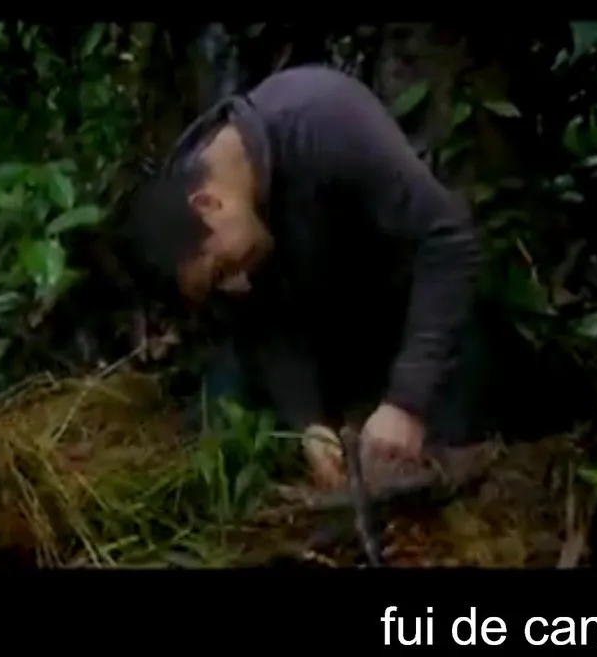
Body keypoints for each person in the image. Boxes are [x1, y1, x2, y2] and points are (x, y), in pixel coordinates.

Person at [125, 65, 481, 489]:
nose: (237, 285)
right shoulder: (184, 193)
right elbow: (260, 326)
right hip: (319, 326)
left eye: (223, 269)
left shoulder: (323, 121)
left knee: (443, 460)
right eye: (217, 285)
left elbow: (448, 238)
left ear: (209, 204)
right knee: (216, 423)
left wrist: (407, 401)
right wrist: (308, 421)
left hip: (409, 305)